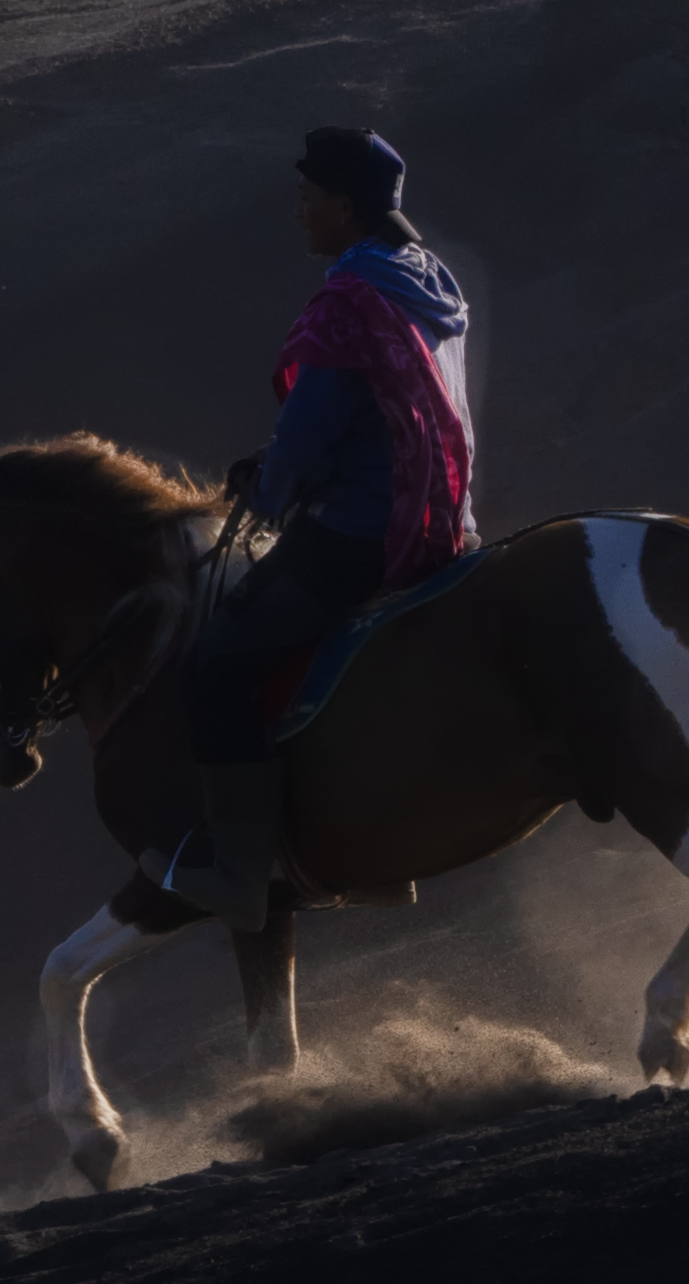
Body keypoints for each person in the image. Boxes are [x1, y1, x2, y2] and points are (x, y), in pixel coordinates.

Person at [172, 124, 482, 899]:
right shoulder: (425, 279)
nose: (299, 211)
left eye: (308, 196)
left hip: (359, 533)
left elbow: (308, 436)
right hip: (442, 521)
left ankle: (241, 869)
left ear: (343, 206)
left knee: (217, 664)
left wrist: (266, 492)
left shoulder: (350, 303)